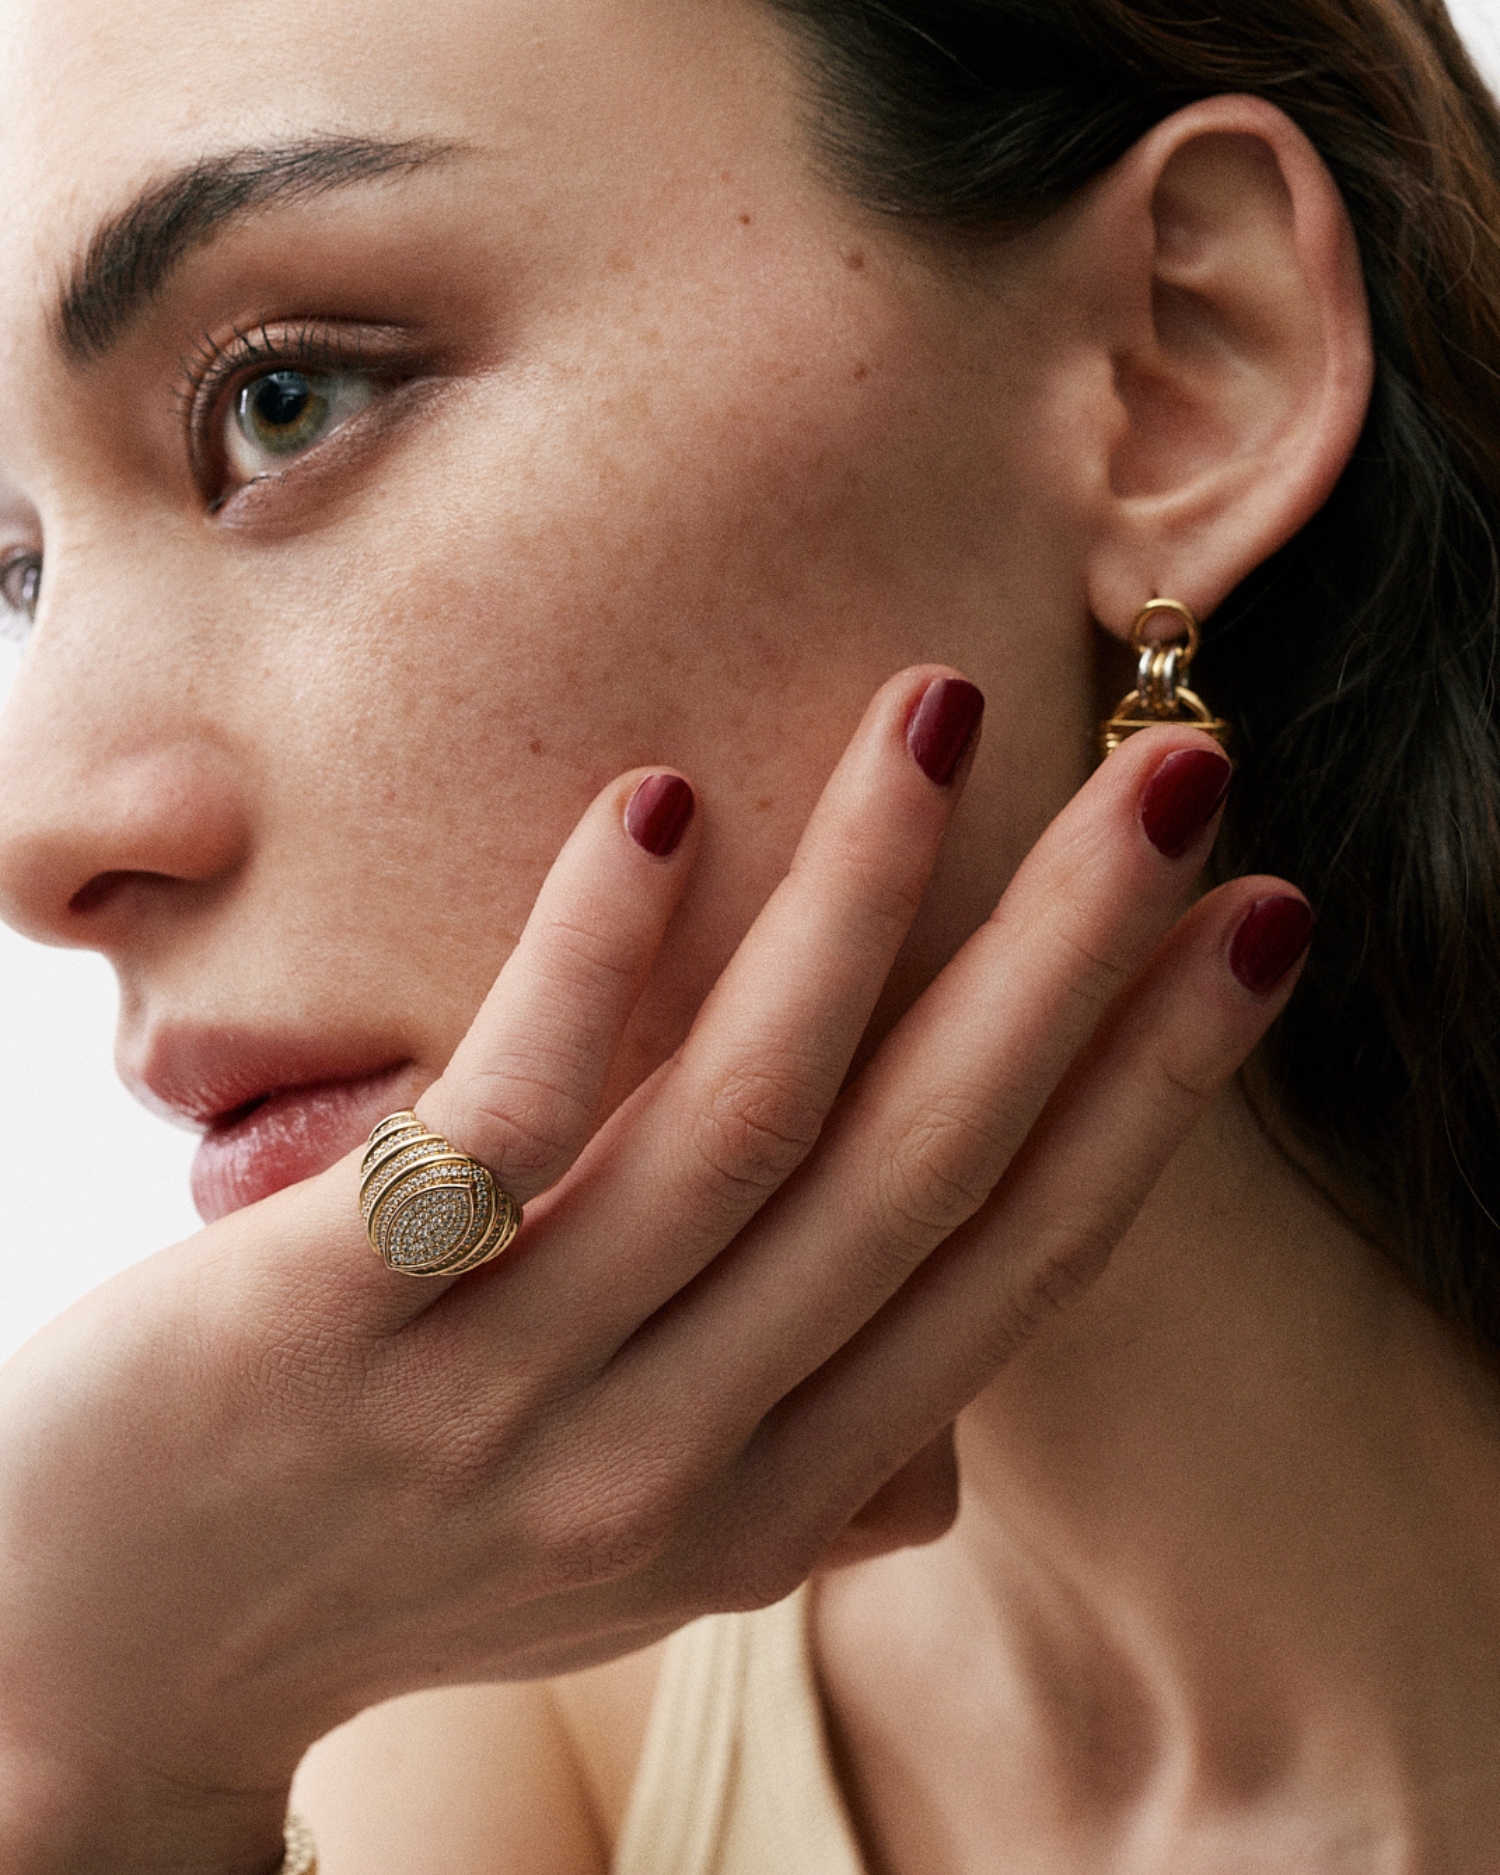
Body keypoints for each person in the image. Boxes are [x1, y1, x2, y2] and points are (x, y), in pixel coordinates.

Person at [1, 0, 1498, 1867]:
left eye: (284, 397)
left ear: (1177, 367)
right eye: (22, 575)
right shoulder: (491, 1753)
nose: (40, 831)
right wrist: (85, 1747)